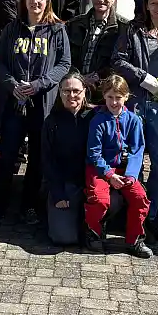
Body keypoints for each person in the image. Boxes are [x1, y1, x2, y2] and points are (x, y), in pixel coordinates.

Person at [0, 0, 71, 229]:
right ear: (24, 1)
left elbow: (64, 63)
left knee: (38, 158)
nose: (35, 2)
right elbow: (0, 62)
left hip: (42, 102)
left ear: (47, 0)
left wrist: (40, 84)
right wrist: (12, 85)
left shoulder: (57, 30)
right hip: (15, 103)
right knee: (7, 155)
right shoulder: (12, 28)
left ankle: (29, 206)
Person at [112, 0, 158, 241]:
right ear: (146, 6)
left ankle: (149, 215)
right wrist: (145, 79)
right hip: (134, 104)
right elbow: (118, 60)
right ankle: (134, 215)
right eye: (153, 3)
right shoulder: (132, 30)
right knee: (134, 162)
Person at [84, 74, 152, 258]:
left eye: (118, 97)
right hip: (100, 169)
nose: (114, 102)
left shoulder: (133, 120)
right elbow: (94, 153)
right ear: (104, 96)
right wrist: (108, 174)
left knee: (140, 198)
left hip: (125, 169)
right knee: (99, 200)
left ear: (126, 97)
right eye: (110, 97)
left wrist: (131, 175)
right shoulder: (98, 120)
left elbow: (138, 150)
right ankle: (94, 232)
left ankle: (134, 239)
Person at [43, 72, 94, 246]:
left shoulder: (95, 117)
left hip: (91, 183)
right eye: (66, 91)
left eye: (76, 91)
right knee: (64, 238)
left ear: (84, 91)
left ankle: (92, 223)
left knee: (114, 202)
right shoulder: (51, 122)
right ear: (60, 92)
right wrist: (58, 193)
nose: (71, 95)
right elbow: (47, 160)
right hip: (65, 185)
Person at [65, 0, 127, 98]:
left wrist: (98, 76)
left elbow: (121, 61)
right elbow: (64, 56)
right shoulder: (74, 24)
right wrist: (78, 78)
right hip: (73, 88)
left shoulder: (123, 28)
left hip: (105, 92)